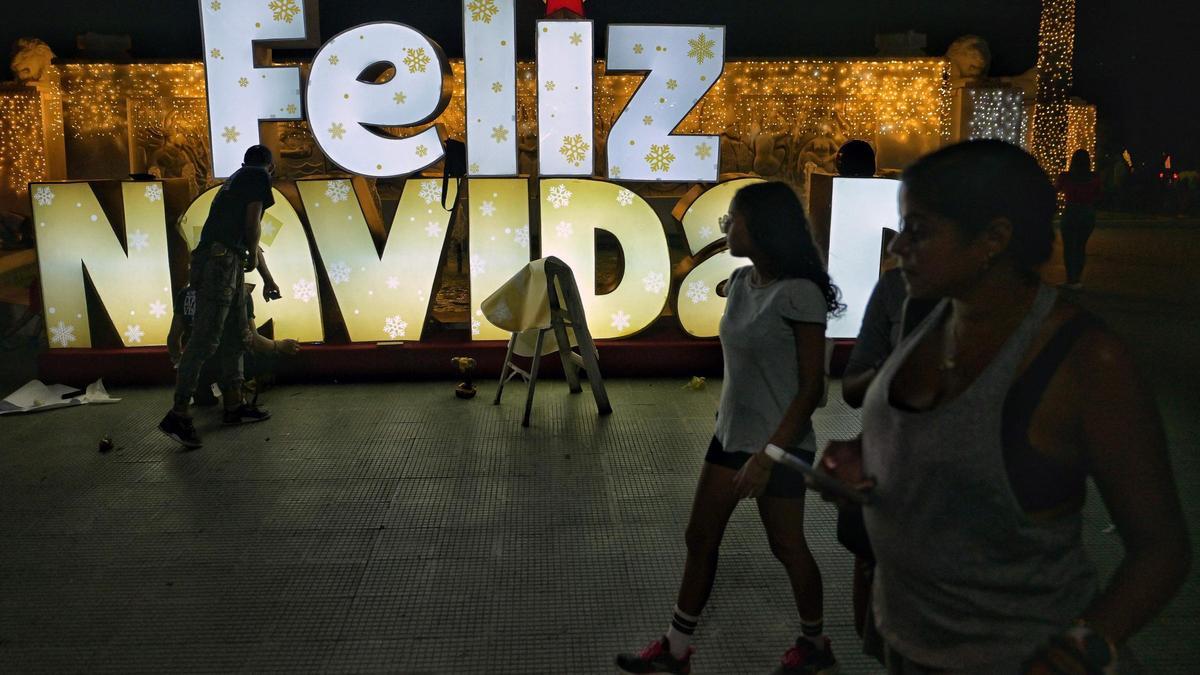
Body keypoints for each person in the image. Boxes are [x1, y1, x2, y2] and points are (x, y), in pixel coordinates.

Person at [816, 140, 1190, 673]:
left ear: (993, 238)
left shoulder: (1084, 360)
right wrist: (864, 457)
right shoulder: (926, 311)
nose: (898, 246)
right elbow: (941, 441)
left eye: (919, 230)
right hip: (912, 648)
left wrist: (1073, 651)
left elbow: (1162, 549)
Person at [616, 182, 843, 675]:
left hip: (779, 446)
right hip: (729, 436)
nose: (726, 228)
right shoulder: (741, 283)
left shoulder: (800, 294)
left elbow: (810, 389)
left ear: (761, 226)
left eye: (733, 219)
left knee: (787, 546)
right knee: (700, 538)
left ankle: (816, 645)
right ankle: (676, 651)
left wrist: (768, 456)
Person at [159, 145, 277, 449]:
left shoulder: (236, 178)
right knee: (205, 338)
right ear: (270, 167)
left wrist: (263, 274)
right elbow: (253, 223)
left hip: (223, 260)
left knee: (237, 334)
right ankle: (178, 413)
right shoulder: (257, 177)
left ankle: (234, 406)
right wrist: (252, 252)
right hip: (220, 264)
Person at [1056, 149, 1102, 289]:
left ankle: (1071, 278)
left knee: (1069, 247)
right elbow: (1098, 195)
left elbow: (1056, 189)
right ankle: (1077, 279)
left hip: (1071, 211)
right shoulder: (1094, 177)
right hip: (1087, 212)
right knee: (1080, 247)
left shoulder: (1066, 176)